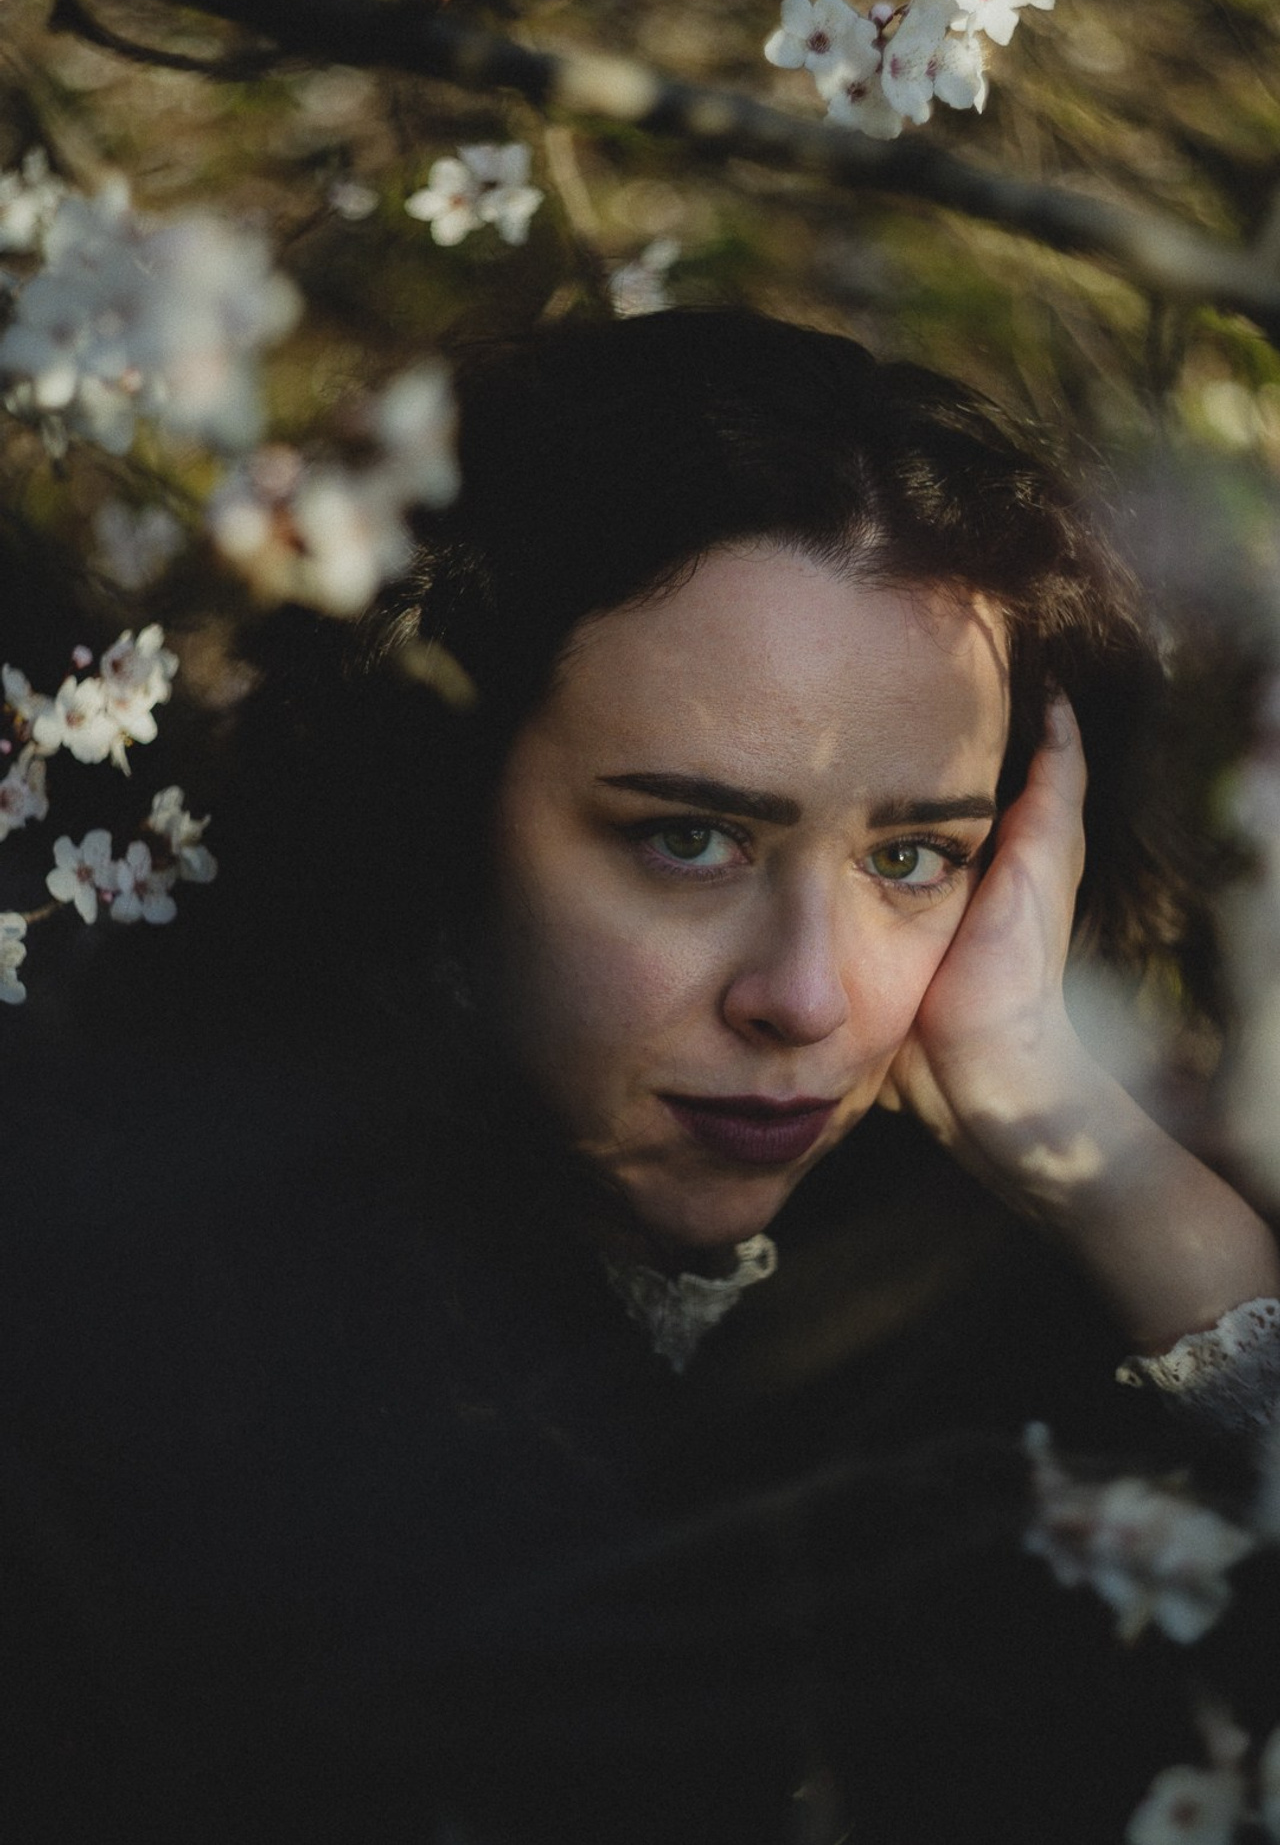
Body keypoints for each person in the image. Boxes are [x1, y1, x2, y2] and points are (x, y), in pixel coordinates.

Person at [3, 306, 1280, 1843]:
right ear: (438, 803)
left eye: (916, 855)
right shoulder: (158, 1309)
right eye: (688, 838)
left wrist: (1136, 1197)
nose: (807, 996)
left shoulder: (994, 1306)